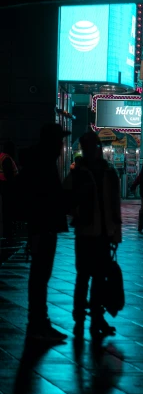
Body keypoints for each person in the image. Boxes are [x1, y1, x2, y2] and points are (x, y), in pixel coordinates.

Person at [64, 131, 122, 339]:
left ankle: (96, 317)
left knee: (97, 277)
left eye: (93, 146)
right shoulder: (80, 173)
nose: (91, 150)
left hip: (103, 232)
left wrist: (115, 233)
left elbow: (115, 205)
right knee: (84, 276)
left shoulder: (107, 172)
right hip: (87, 231)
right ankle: (81, 316)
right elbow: (67, 201)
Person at [19, 123, 69, 342]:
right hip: (44, 226)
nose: (62, 145)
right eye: (59, 140)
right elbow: (48, 198)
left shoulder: (39, 162)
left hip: (40, 226)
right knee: (40, 276)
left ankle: (38, 321)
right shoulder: (44, 165)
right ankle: (38, 323)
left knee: (40, 276)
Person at [0, 141, 19, 240]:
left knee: (6, 210)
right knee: (8, 210)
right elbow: (9, 175)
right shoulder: (7, 158)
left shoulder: (2, 156)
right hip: (7, 187)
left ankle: (8, 230)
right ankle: (9, 232)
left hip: (3, 186)